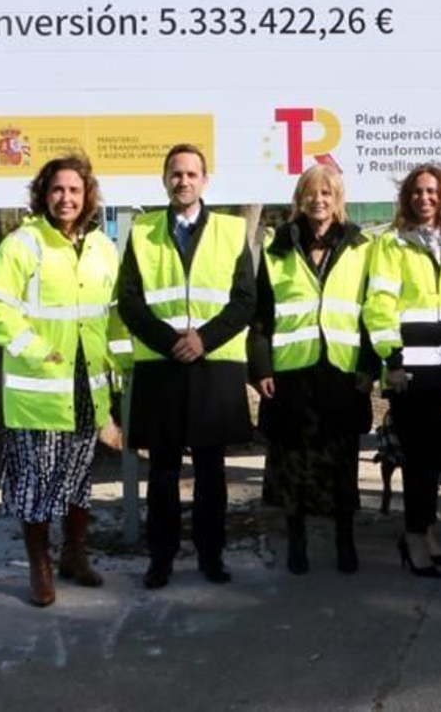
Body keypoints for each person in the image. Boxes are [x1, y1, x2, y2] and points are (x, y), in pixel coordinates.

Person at [0, 154, 122, 607]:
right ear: (44, 193)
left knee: (79, 481)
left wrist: (126, 369)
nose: (66, 198)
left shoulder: (103, 247)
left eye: (75, 191)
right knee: (37, 487)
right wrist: (39, 351)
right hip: (39, 394)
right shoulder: (22, 244)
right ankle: (40, 568)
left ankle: (74, 557)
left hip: (87, 390)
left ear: (88, 197)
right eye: (58, 189)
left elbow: (113, 318)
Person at [116, 144, 257, 589]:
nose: (184, 181)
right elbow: (131, 302)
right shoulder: (142, 232)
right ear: (165, 180)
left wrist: (204, 339)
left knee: (212, 472)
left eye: (192, 174)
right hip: (162, 366)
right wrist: (170, 342)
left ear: (205, 180)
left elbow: (245, 301)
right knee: (162, 472)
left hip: (213, 366)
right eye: (176, 174)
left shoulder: (233, 232)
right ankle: (161, 558)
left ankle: (211, 556)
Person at [248, 165, 377, 575]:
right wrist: (261, 367)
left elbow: (373, 313)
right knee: (293, 464)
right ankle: (297, 541)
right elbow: (261, 317)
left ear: (338, 199)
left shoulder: (361, 246)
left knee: (341, 463)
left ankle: (344, 540)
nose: (318, 200)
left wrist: (370, 367)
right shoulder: (277, 246)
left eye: (326, 193)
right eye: (310, 192)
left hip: (342, 372)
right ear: (299, 198)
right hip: (291, 374)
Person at [363, 164, 441, 579]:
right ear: (406, 197)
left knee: (434, 456)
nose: (424, 198)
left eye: (432, 192)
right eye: (417, 192)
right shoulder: (391, 244)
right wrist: (392, 361)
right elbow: (379, 305)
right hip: (410, 371)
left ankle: (427, 532)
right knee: (418, 459)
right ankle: (412, 538)